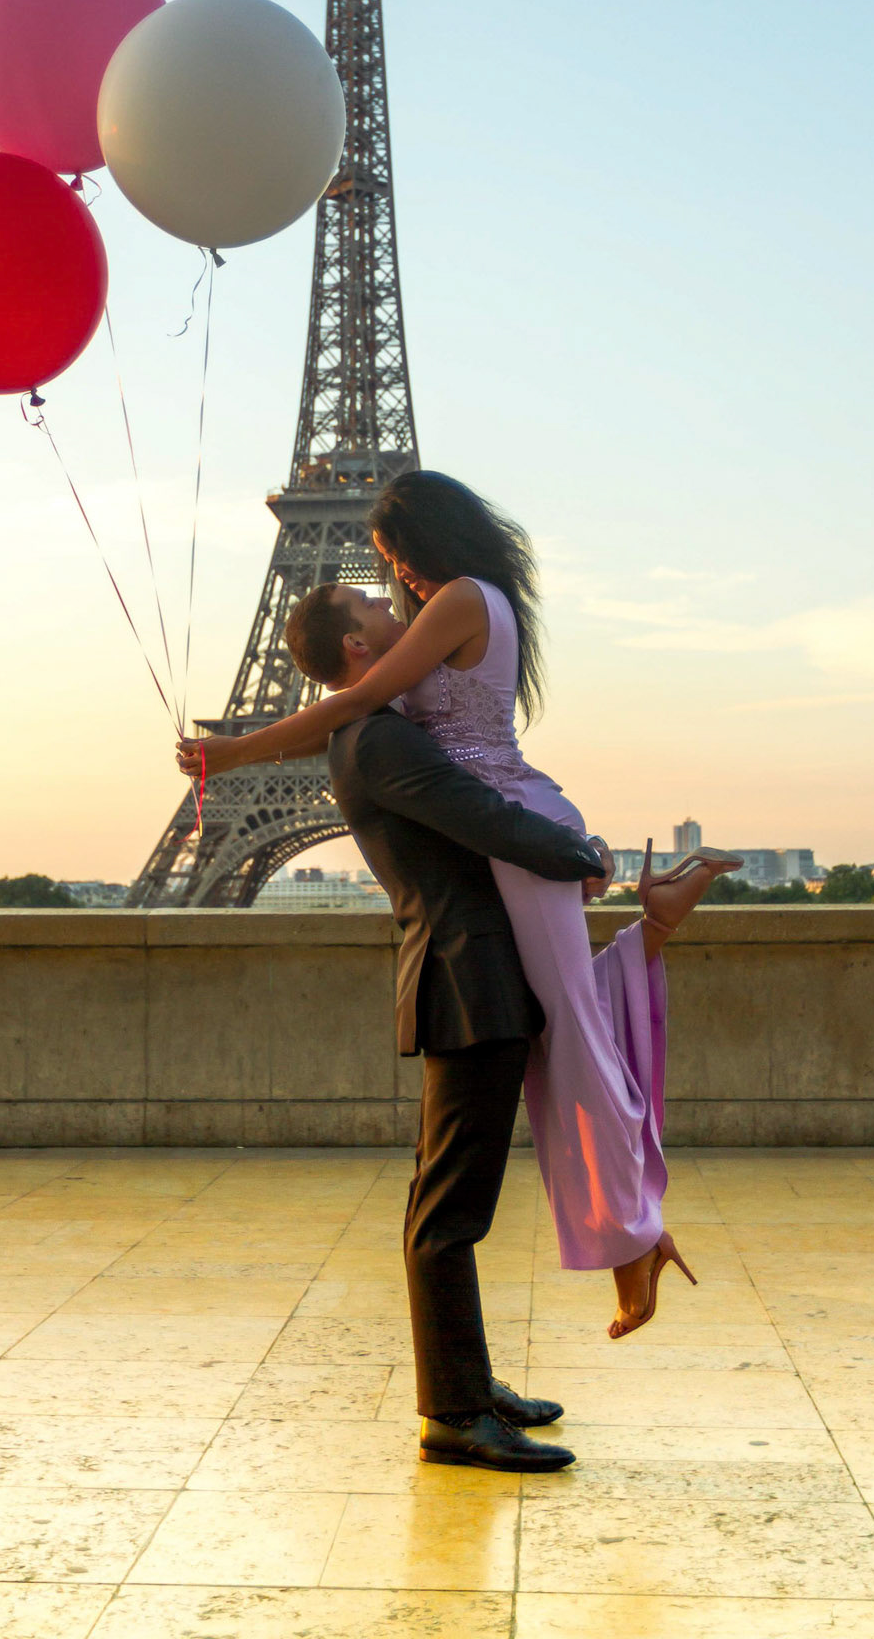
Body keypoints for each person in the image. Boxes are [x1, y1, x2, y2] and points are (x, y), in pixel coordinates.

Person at [179, 471, 741, 1335]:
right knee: (568, 1021)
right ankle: (653, 926)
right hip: (507, 828)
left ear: (425, 539)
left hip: (513, 823)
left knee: (573, 1036)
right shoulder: (454, 609)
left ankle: (633, 1237)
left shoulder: (458, 600)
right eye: (375, 573)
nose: (389, 576)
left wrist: (235, 750)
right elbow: (364, 697)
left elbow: (360, 698)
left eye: (393, 555)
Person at [285, 580, 608, 1472]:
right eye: (375, 613)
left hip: (465, 974)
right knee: (449, 1211)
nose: (396, 615)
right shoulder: (379, 738)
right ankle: (454, 1413)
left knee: (447, 1203)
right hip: (469, 979)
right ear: (355, 649)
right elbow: (485, 820)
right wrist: (583, 853)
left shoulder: (377, 731)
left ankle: (465, 1382)